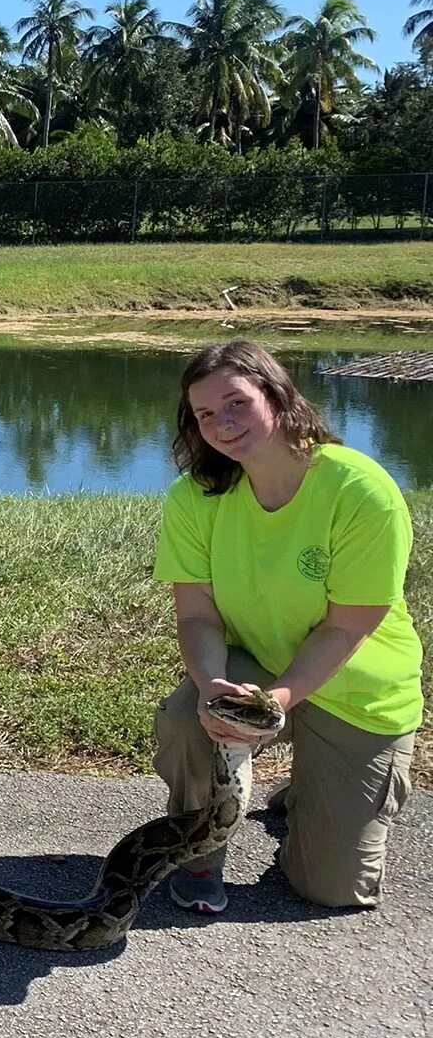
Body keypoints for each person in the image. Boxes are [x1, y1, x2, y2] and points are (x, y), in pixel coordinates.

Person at [153, 339, 421, 915]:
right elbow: (197, 614)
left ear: (276, 395)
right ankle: (197, 854)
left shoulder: (359, 490)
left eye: (236, 403)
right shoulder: (195, 499)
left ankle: (304, 793)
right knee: (186, 720)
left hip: (357, 689)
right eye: (204, 414)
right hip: (259, 665)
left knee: (331, 890)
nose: (222, 424)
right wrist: (208, 688)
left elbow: (349, 627)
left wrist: (274, 703)